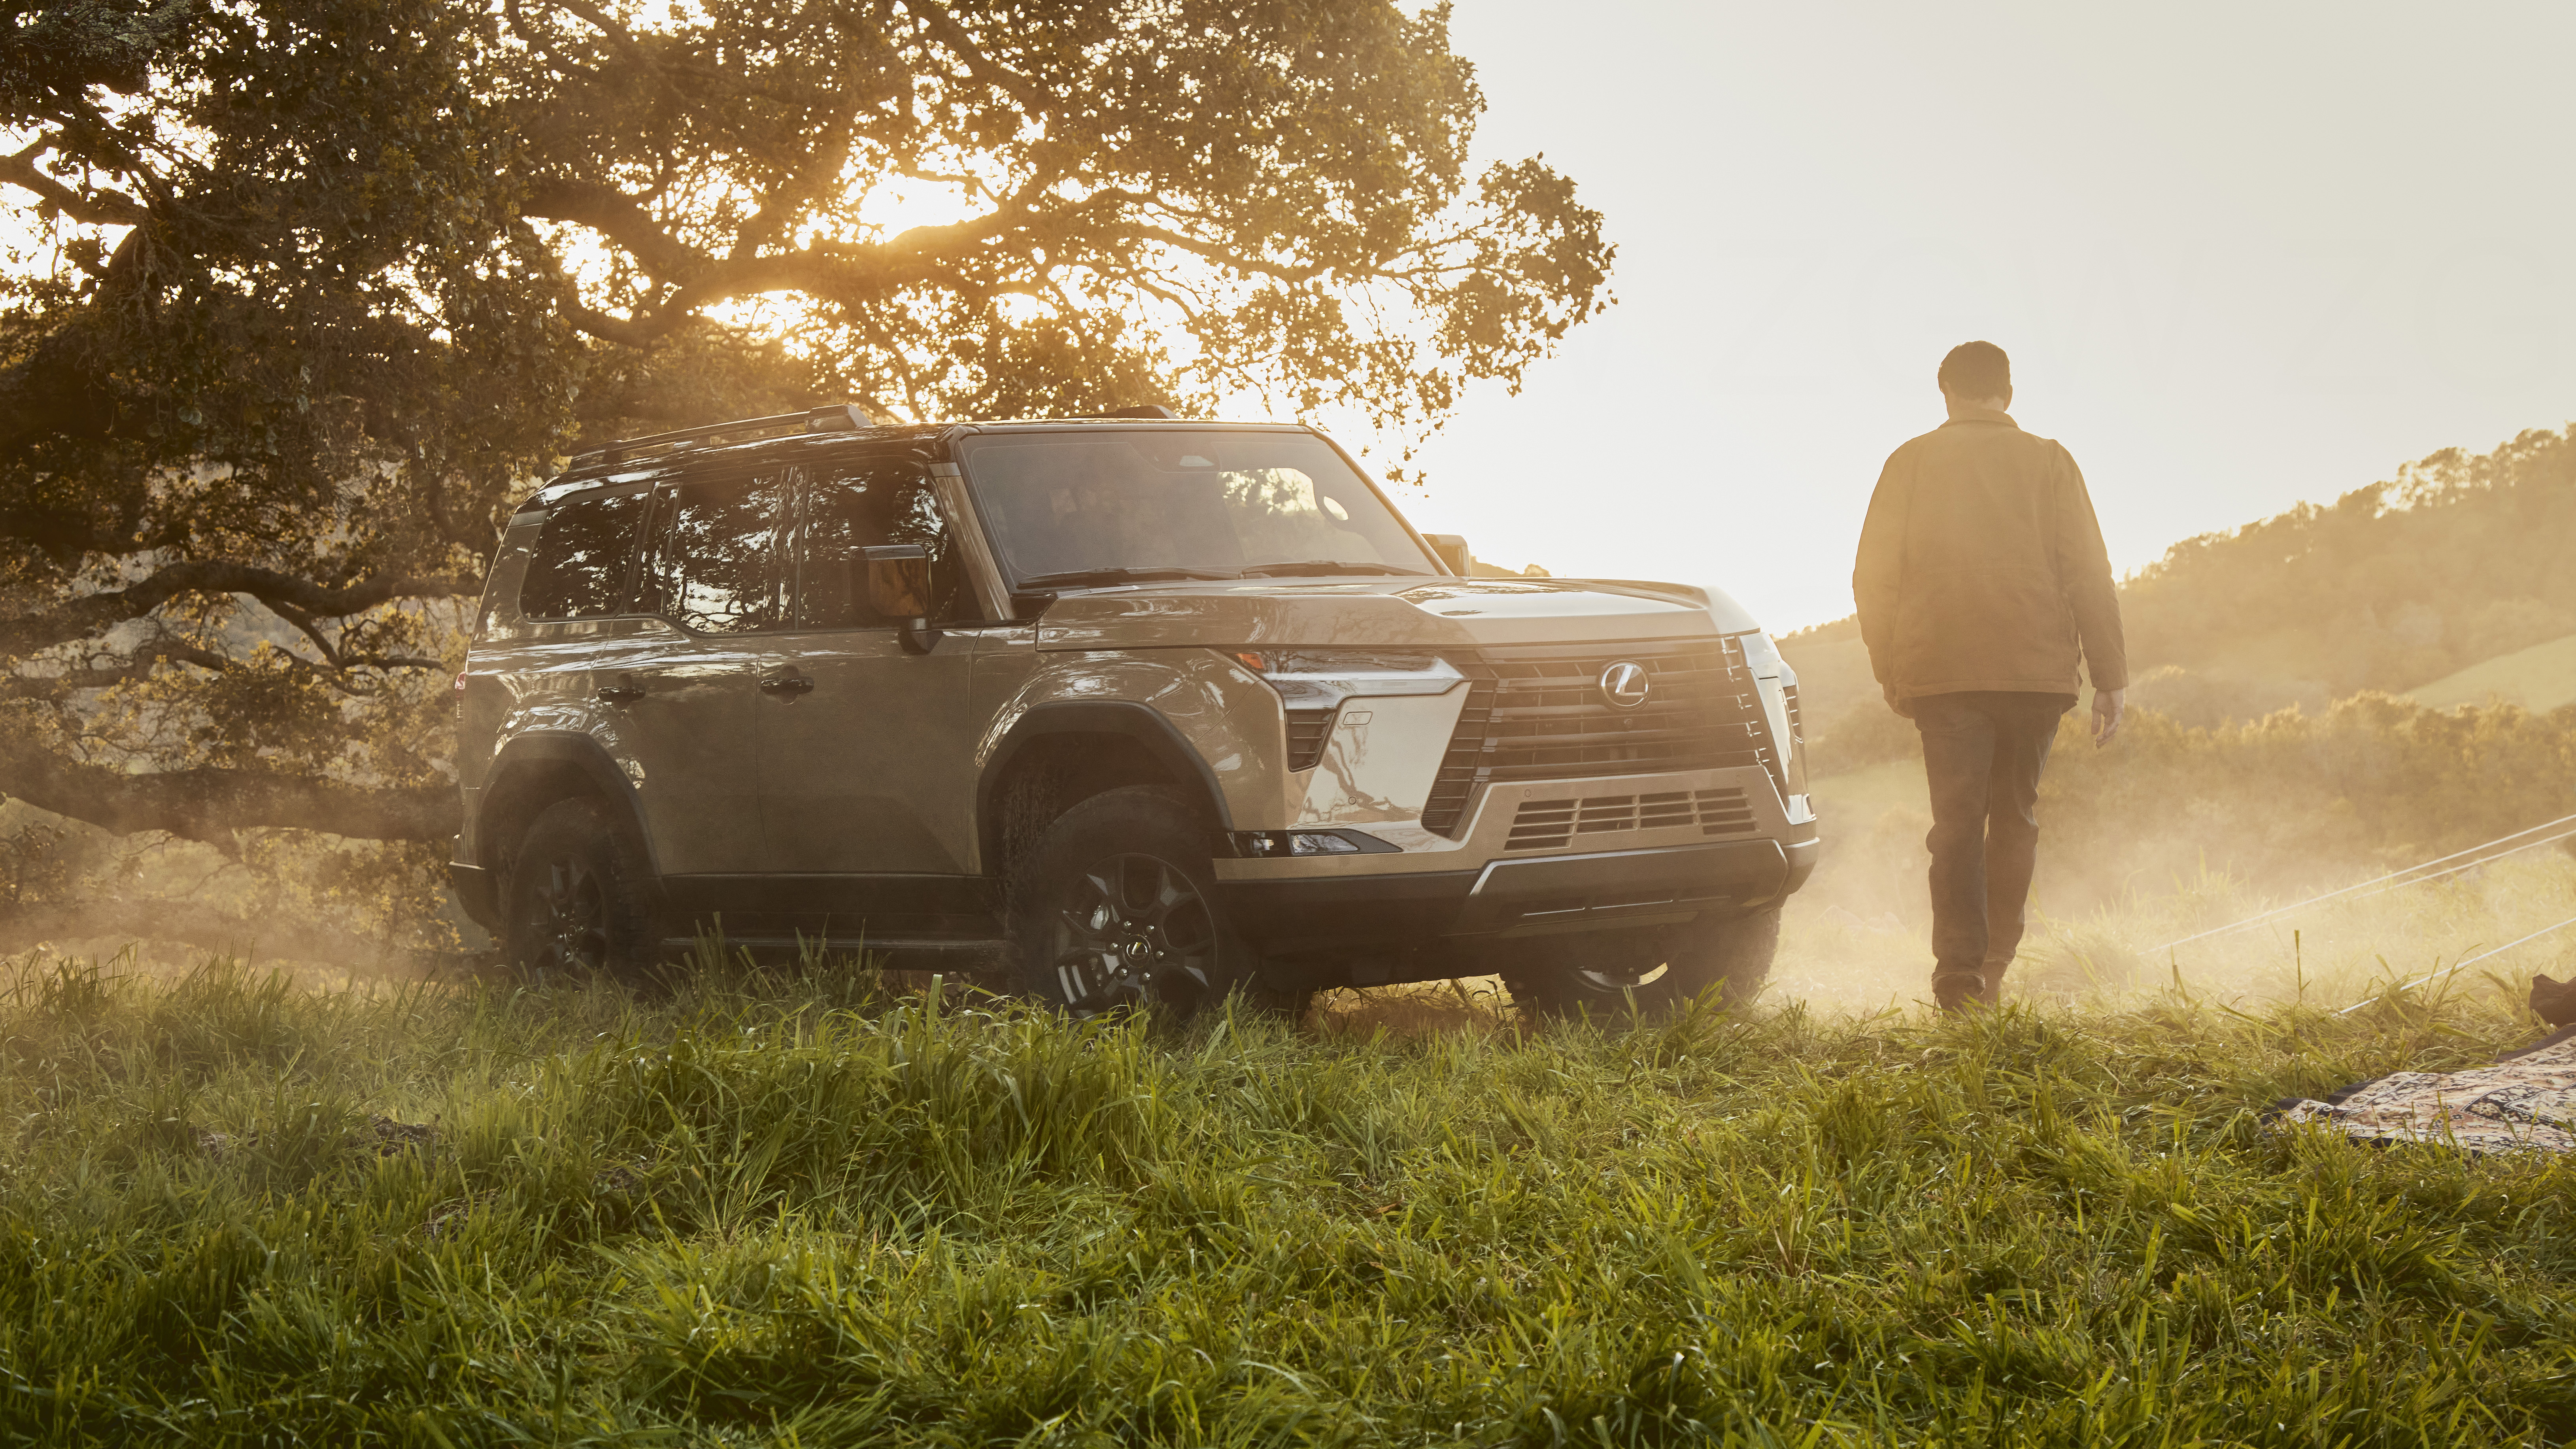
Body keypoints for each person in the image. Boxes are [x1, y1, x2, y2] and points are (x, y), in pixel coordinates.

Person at [1852, 341, 2127, 1012]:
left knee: (1955, 824)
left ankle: (1958, 975)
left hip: (1943, 673)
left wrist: (1891, 665)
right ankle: (1996, 965)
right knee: (2015, 817)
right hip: (2036, 673)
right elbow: (2089, 570)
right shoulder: (2051, 462)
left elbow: (1873, 574)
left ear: (1945, 389)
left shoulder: (1910, 462)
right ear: (2009, 392)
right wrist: (2110, 675)